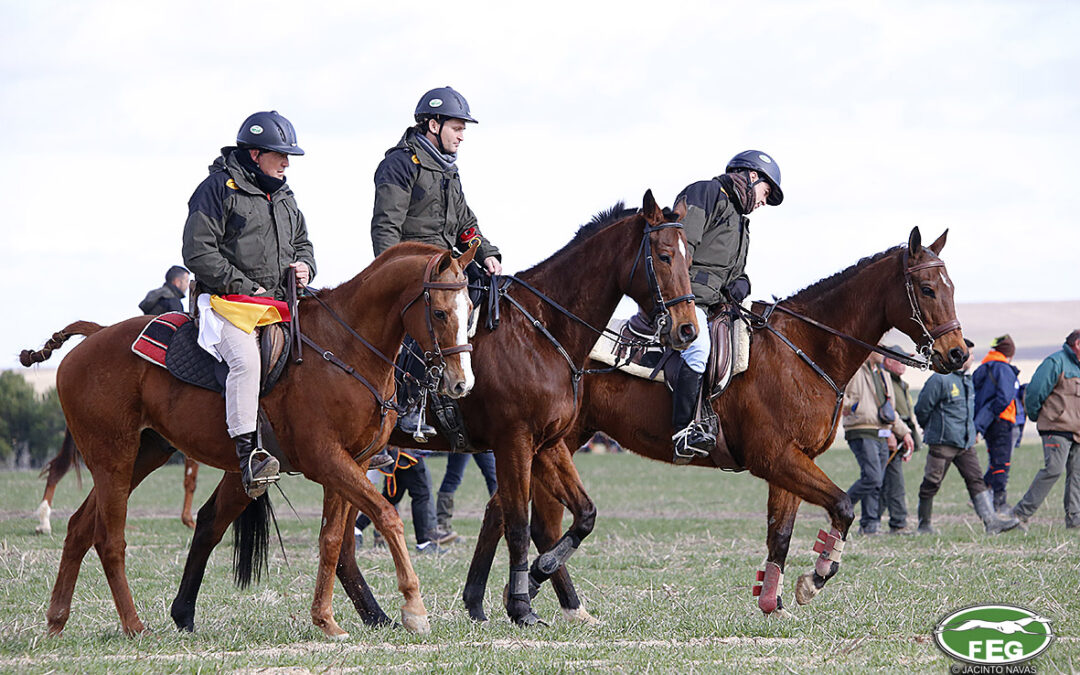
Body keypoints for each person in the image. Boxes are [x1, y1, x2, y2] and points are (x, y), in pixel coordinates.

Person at [182, 110, 315, 498]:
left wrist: (306, 265)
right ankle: (249, 454)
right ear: (255, 155)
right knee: (246, 361)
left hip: (276, 304)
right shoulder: (216, 187)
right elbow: (197, 251)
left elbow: (304, 243)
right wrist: (246, 287)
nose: (287, 163)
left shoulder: (286, 194)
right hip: (224, 304)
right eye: (281, 155)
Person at [370, 85, 502, 440]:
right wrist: (392, 277)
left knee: (494, 294)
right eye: (457, 128)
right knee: (426, 314)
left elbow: (464, 223)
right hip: (412, 272)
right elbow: (386, 227)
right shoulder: (400, 164)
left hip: (447, 268)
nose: (462, 136)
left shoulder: (448, 170)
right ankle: (409, 407)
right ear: (433, 125)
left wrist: (486, 251)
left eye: (463, 129)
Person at [668, 150, 784, 464]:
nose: (763, 201)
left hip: (717, 305)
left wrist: (742, 283)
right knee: (699, 348)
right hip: (686, 302)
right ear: (750, 176)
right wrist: (685, 301)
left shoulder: (741, 222)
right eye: (766, 192)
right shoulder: (706, 192)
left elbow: (734, 272)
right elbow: (679, 251)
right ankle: (683, 430)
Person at [913, 340, 1019, 534]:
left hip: (965, 442)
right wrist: (931, 428)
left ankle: (991, 522)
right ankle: (924, 524)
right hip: (943, 443)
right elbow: (921, 408)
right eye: (969, 354)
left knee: (976, 480)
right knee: (931, 483)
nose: (972, 358)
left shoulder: (966, 380)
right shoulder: (940, 380)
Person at [1005, 330, 1080, 530]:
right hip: (1057, 428)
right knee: (1053, 470)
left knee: (1077, 474)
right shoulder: (1056, 362)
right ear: (1078, 344)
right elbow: (1034, 392)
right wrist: (1040, 416)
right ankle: (1019, 515)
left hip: (1077, 431)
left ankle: (1075, 520)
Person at [842, 351, 914, 535]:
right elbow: (839, 394)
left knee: (876, 480)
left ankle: (869, 525)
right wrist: (852, 407)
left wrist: (904, 432)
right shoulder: (854, 368)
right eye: (880, 349)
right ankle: (839, 506)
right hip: (861, 428)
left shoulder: (883, 374)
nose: (884, 354)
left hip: (881, 430)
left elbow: (888, 408)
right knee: (873, 477)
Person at [355, 447, 452, 553]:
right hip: (405, 452)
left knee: (391, 498)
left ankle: (357, 527)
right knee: (421, 494)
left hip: (402, 452)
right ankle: (423, 542)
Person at [973, 334, 1021, 512]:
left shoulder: (983, 367)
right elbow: (1005, 397)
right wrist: (994, 413)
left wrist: (982, 421)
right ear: (1009, 353)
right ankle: (999, 503)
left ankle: (983, 495)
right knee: (1002, 462)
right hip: (1002, 421)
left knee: (994, 460)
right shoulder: (1003, 369)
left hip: (987, 423)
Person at [878, 347, 922, 533]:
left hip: (900, 435)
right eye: (901, 360)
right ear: (888, 361)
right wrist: (888, 435)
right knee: (893, 482)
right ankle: (898, 523)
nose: (904, 364)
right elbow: (882, 412)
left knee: (882, 482)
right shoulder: (883, 381)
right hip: (890, 436)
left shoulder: (901, 384)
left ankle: (866, 517)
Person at [435, 450, 498, 542]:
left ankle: (503, 521)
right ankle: (443, 526)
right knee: (453, 477)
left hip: (481, 439)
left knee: (493, 477)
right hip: (463, 440)